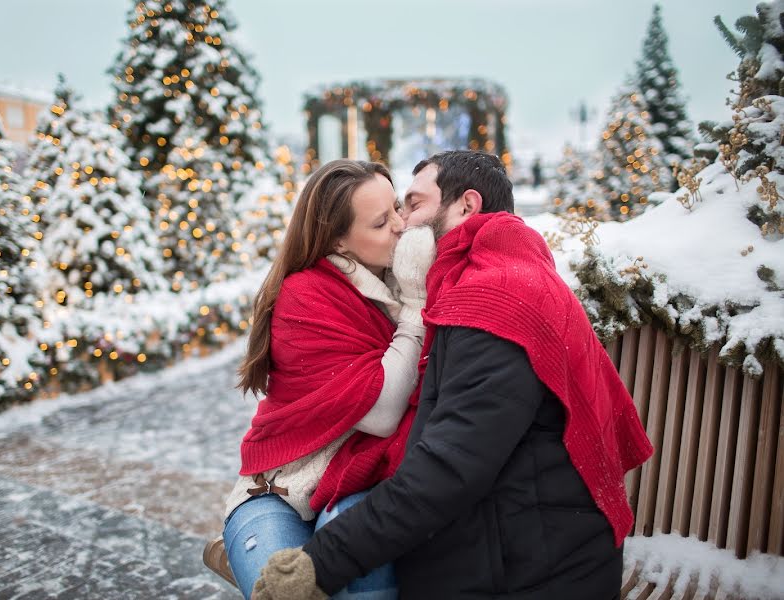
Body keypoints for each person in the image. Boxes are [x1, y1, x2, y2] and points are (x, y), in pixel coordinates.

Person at [251, 150, 655, 599]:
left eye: (413, 203)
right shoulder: (495, 273)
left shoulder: (493, 296)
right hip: (516, 547)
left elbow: (449, 466)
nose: (404, 222)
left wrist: (321, 563)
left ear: (466, 206)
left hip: (528, 574)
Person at [207, 159, 438, 599]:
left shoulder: (401, 274)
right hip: (281, 490)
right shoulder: (306, 295)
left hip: (362, 481)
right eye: (380, 222)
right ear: (339, 242)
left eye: (396, 208)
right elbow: (382, 411)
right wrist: (414, 308)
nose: (400, 226)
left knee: (361, 573)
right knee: (282, 589)